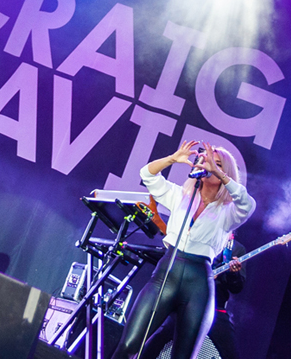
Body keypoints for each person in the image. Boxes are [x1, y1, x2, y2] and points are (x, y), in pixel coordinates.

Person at [110, 140, 256, 359]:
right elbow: (147, 175)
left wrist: (219, 173)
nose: (209, 166)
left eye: (217, 164)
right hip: (167, 273)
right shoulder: (180, 196)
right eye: (206, 161)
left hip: (198, 282)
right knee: (129, 346)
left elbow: (248, 204)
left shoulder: (229, 212)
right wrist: (172, 159)